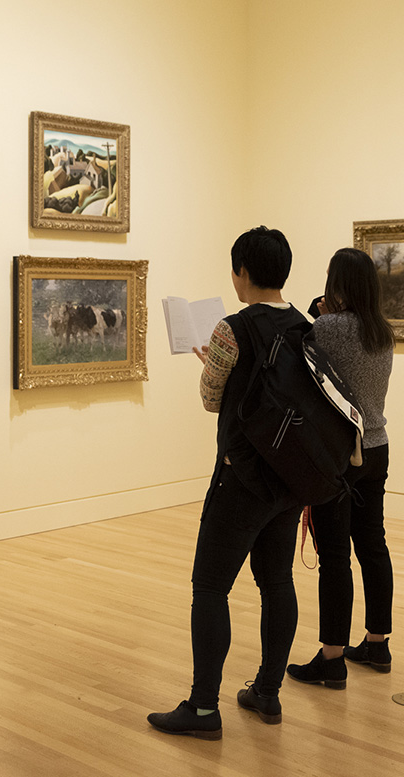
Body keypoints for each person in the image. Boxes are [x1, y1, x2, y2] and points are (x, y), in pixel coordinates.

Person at [147, 226, 308, 740]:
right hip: (289, 480)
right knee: (277, 582)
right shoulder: (307, 327)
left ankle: (201, 708)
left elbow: (212, 399)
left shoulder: (230, 329)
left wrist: (211, 368)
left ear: (243, 272)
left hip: (241, 480)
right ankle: (267, 691)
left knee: (211, 587)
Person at [287, 247, 395, 689]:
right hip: (377, 447)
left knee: (334, 556)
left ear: (338, 283)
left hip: (340, 453)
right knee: (373, 546)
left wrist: (315, 314)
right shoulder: (383, 331)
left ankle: (332, 657)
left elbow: (302, 351)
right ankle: (377, 642)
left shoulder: (329, 328)